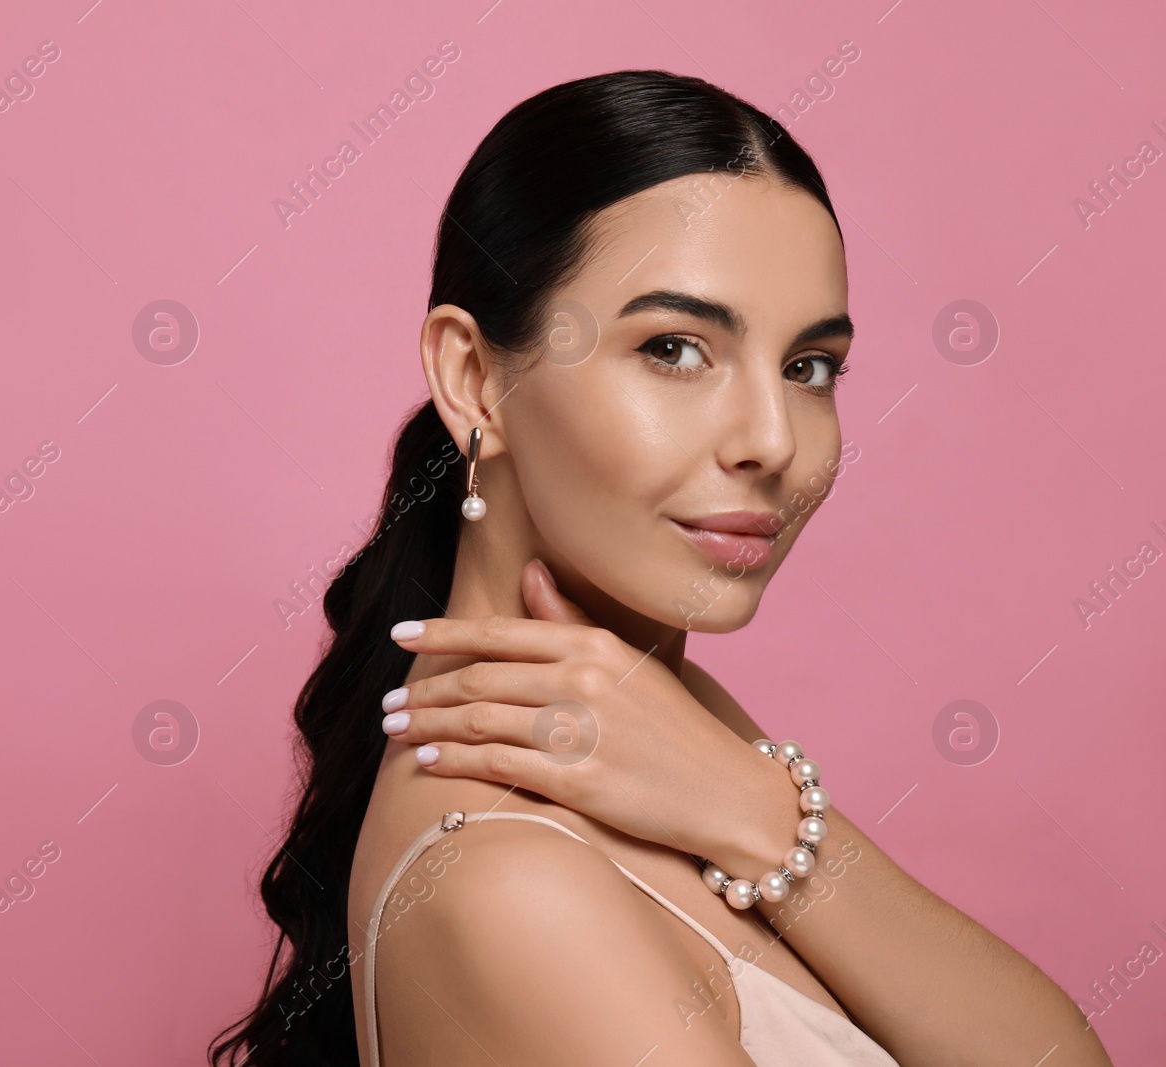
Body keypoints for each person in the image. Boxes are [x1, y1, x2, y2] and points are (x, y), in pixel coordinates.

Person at [208, 69, 1113, 1067]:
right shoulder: (513, 890)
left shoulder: (652, 725)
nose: (772, 440)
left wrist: (763, 818)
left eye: (808, 365)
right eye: (675, 348)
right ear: (473, 378)